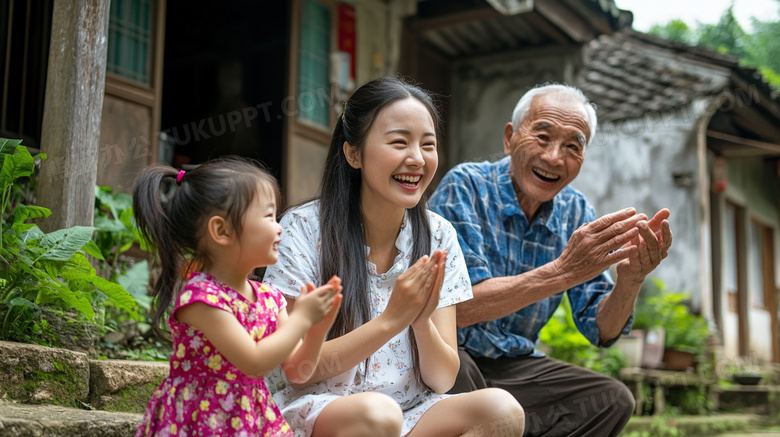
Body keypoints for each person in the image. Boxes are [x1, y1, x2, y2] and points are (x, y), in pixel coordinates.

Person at [263, 77, 525, 437]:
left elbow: (443, 378)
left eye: (428, 145)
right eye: (399, 142)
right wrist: (390, 320)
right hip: (320, 410)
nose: (416, 159)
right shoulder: (304, 228)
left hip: (411, 414)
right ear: (353, 153)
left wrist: (420, 320)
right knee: (377, 414)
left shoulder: (439, 235)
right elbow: (299, 367)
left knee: (502, 410)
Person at [429, 83, 673, 437]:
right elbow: (459, 308)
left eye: (573, 146)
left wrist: (630, 280)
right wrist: (562, 272)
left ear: (583, 158)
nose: (554, 157)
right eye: (542, 137)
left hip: (516, 367)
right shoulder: (465, 186)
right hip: (452, 353)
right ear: (509, 138)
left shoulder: (577, 212)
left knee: (611, 399)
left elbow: (601, 330)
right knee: (457, 376)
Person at [132, 157, 343, 437]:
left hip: (250, 416)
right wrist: (302, 319)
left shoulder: (269, 298)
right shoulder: (202, 298)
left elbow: (297, 370)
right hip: (201, 418)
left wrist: (317, 330)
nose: (279, 226)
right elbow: (254, 362)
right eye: (268, 216)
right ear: (221, 230)